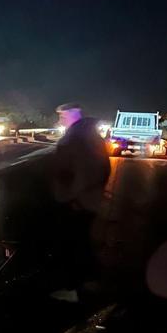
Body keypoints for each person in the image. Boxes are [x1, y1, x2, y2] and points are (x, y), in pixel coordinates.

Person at [48, 102, 110, 300]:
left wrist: (72, 197)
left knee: (75, 243)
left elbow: (84, 172)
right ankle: (88, 283)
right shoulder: (87, 135)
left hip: (79, 201)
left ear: (75, 114)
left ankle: (75, 289)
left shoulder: (79, 137)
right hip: (86, 199)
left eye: (63, 116)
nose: (60, 120)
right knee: (83, 241)